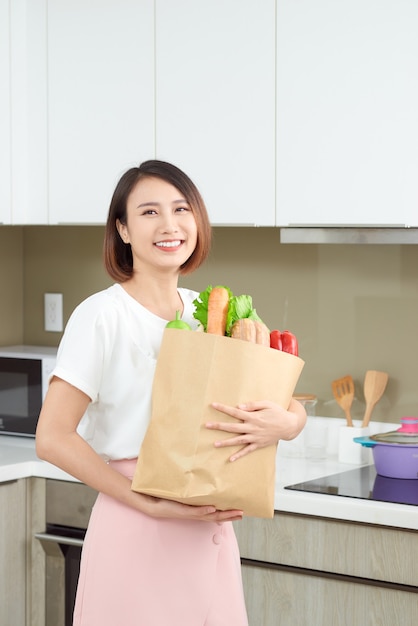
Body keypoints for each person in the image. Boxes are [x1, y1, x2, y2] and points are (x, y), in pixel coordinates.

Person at [36, 159, 307, 626]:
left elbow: (280, 401)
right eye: (148, 212)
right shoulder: (102, 316)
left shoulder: (209, 311)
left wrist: (289, 424)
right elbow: (52, 437)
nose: (169, 225)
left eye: (181, 209)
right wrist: (146, 502)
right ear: (121, 229)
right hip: (137, 526)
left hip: (208, 534)